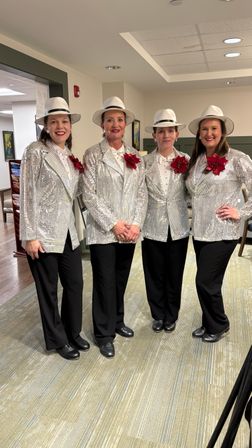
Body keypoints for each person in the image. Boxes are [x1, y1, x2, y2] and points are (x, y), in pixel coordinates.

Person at [20, 97, 90, 360]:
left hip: (69, 232)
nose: (60, 126)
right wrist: (30, 236)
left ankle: (73, 332)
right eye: (54, 122)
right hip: (43, 234)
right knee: (48, 290)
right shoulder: (35, 151)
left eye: (64, 121)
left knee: (75, 284)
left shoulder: (71, 156)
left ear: (70, 126)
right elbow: (28, 194)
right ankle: (58, 340)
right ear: (46, 126)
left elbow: (76, 194)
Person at [82, 96, 147, 358]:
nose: (115, 124)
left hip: (129, 232)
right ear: (103, 125)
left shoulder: (134, 156)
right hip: (103, 231)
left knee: (120, 279)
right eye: (110, 120)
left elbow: (141, 194)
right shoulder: (92, 154)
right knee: (104, 281)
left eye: (120, 119)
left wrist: (135, 225)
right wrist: (114, 223)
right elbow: (89, 195)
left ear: (126, 124)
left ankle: (117, 321)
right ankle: (103, 333)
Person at [185, 105, 252, 343]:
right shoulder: (197, 160)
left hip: (223, 231)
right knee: (210, 281)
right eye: (204, 129)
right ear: (199, 133)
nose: (209, 133)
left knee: (204, 281)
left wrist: (241, 212)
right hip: (200, 231)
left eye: (214, 128)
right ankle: (209, 322)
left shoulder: (237, 159)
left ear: (222, 132)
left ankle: (220, 324)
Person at [142, 109, 190, 333]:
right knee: (154, 273)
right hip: (152, 226)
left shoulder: (186, 161)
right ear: (154, 135)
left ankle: (172, 314)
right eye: (161, 131)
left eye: (170, 130)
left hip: (178, 225)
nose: (166, 135)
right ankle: (157, 314)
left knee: (175, 272)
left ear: (176, 134)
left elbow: (192, 192)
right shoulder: (144, 163)